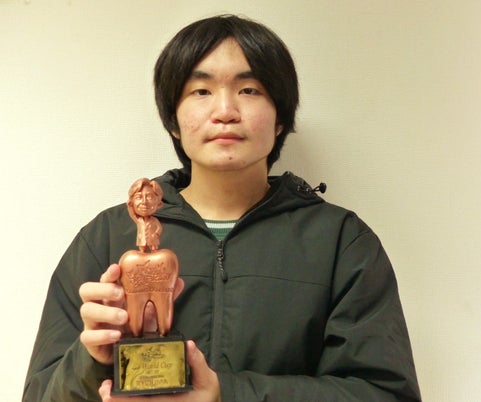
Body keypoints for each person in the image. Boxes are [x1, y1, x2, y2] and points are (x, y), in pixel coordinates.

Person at [23, 14, 422, 402]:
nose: (225, 111)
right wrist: (92, 360)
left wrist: (225, 394)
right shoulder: (107, 238)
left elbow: (385, 393)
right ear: (173, 120)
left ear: (280, 118)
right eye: (201, 91)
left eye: (249, 90)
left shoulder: (341, 242)